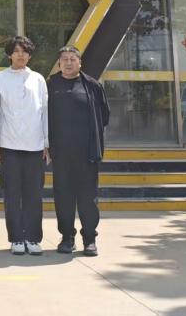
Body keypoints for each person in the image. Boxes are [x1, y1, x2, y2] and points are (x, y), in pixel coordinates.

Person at [47, 45, 110, 257]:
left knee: (88, 198)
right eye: (64, 59)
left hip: (87, 153)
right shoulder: (50, 85)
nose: (68, 62)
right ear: (59, 63)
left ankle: (89, 239)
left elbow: (104, 116)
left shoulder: (92, 85)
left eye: (72, 59)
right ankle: (67, 237)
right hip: (60, 153)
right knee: (63, 197)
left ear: (80, 62)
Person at [0, 36, 50, 256]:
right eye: (16, 51)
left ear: (30, 55)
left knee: (34, 195)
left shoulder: (38, 79)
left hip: (35, 146)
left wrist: (46, 142)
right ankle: (16, 238)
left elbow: (44, 112)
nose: (20, 55)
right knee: (12, 194)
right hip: (9, 145)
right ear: (9, 54)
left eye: (24, 51)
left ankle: (33, 238)